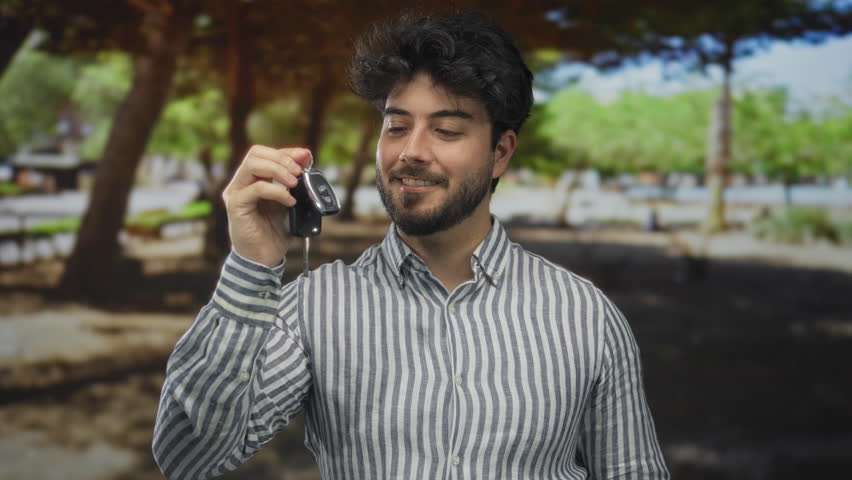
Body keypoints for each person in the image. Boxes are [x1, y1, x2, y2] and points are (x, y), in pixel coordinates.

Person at [152, 12, 669, 480]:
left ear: (501, 152)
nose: (411, 152)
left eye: (446, 130)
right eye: (396, 126)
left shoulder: (584, 314)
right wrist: (251, 265)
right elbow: (187, 457)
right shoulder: (314, 308)